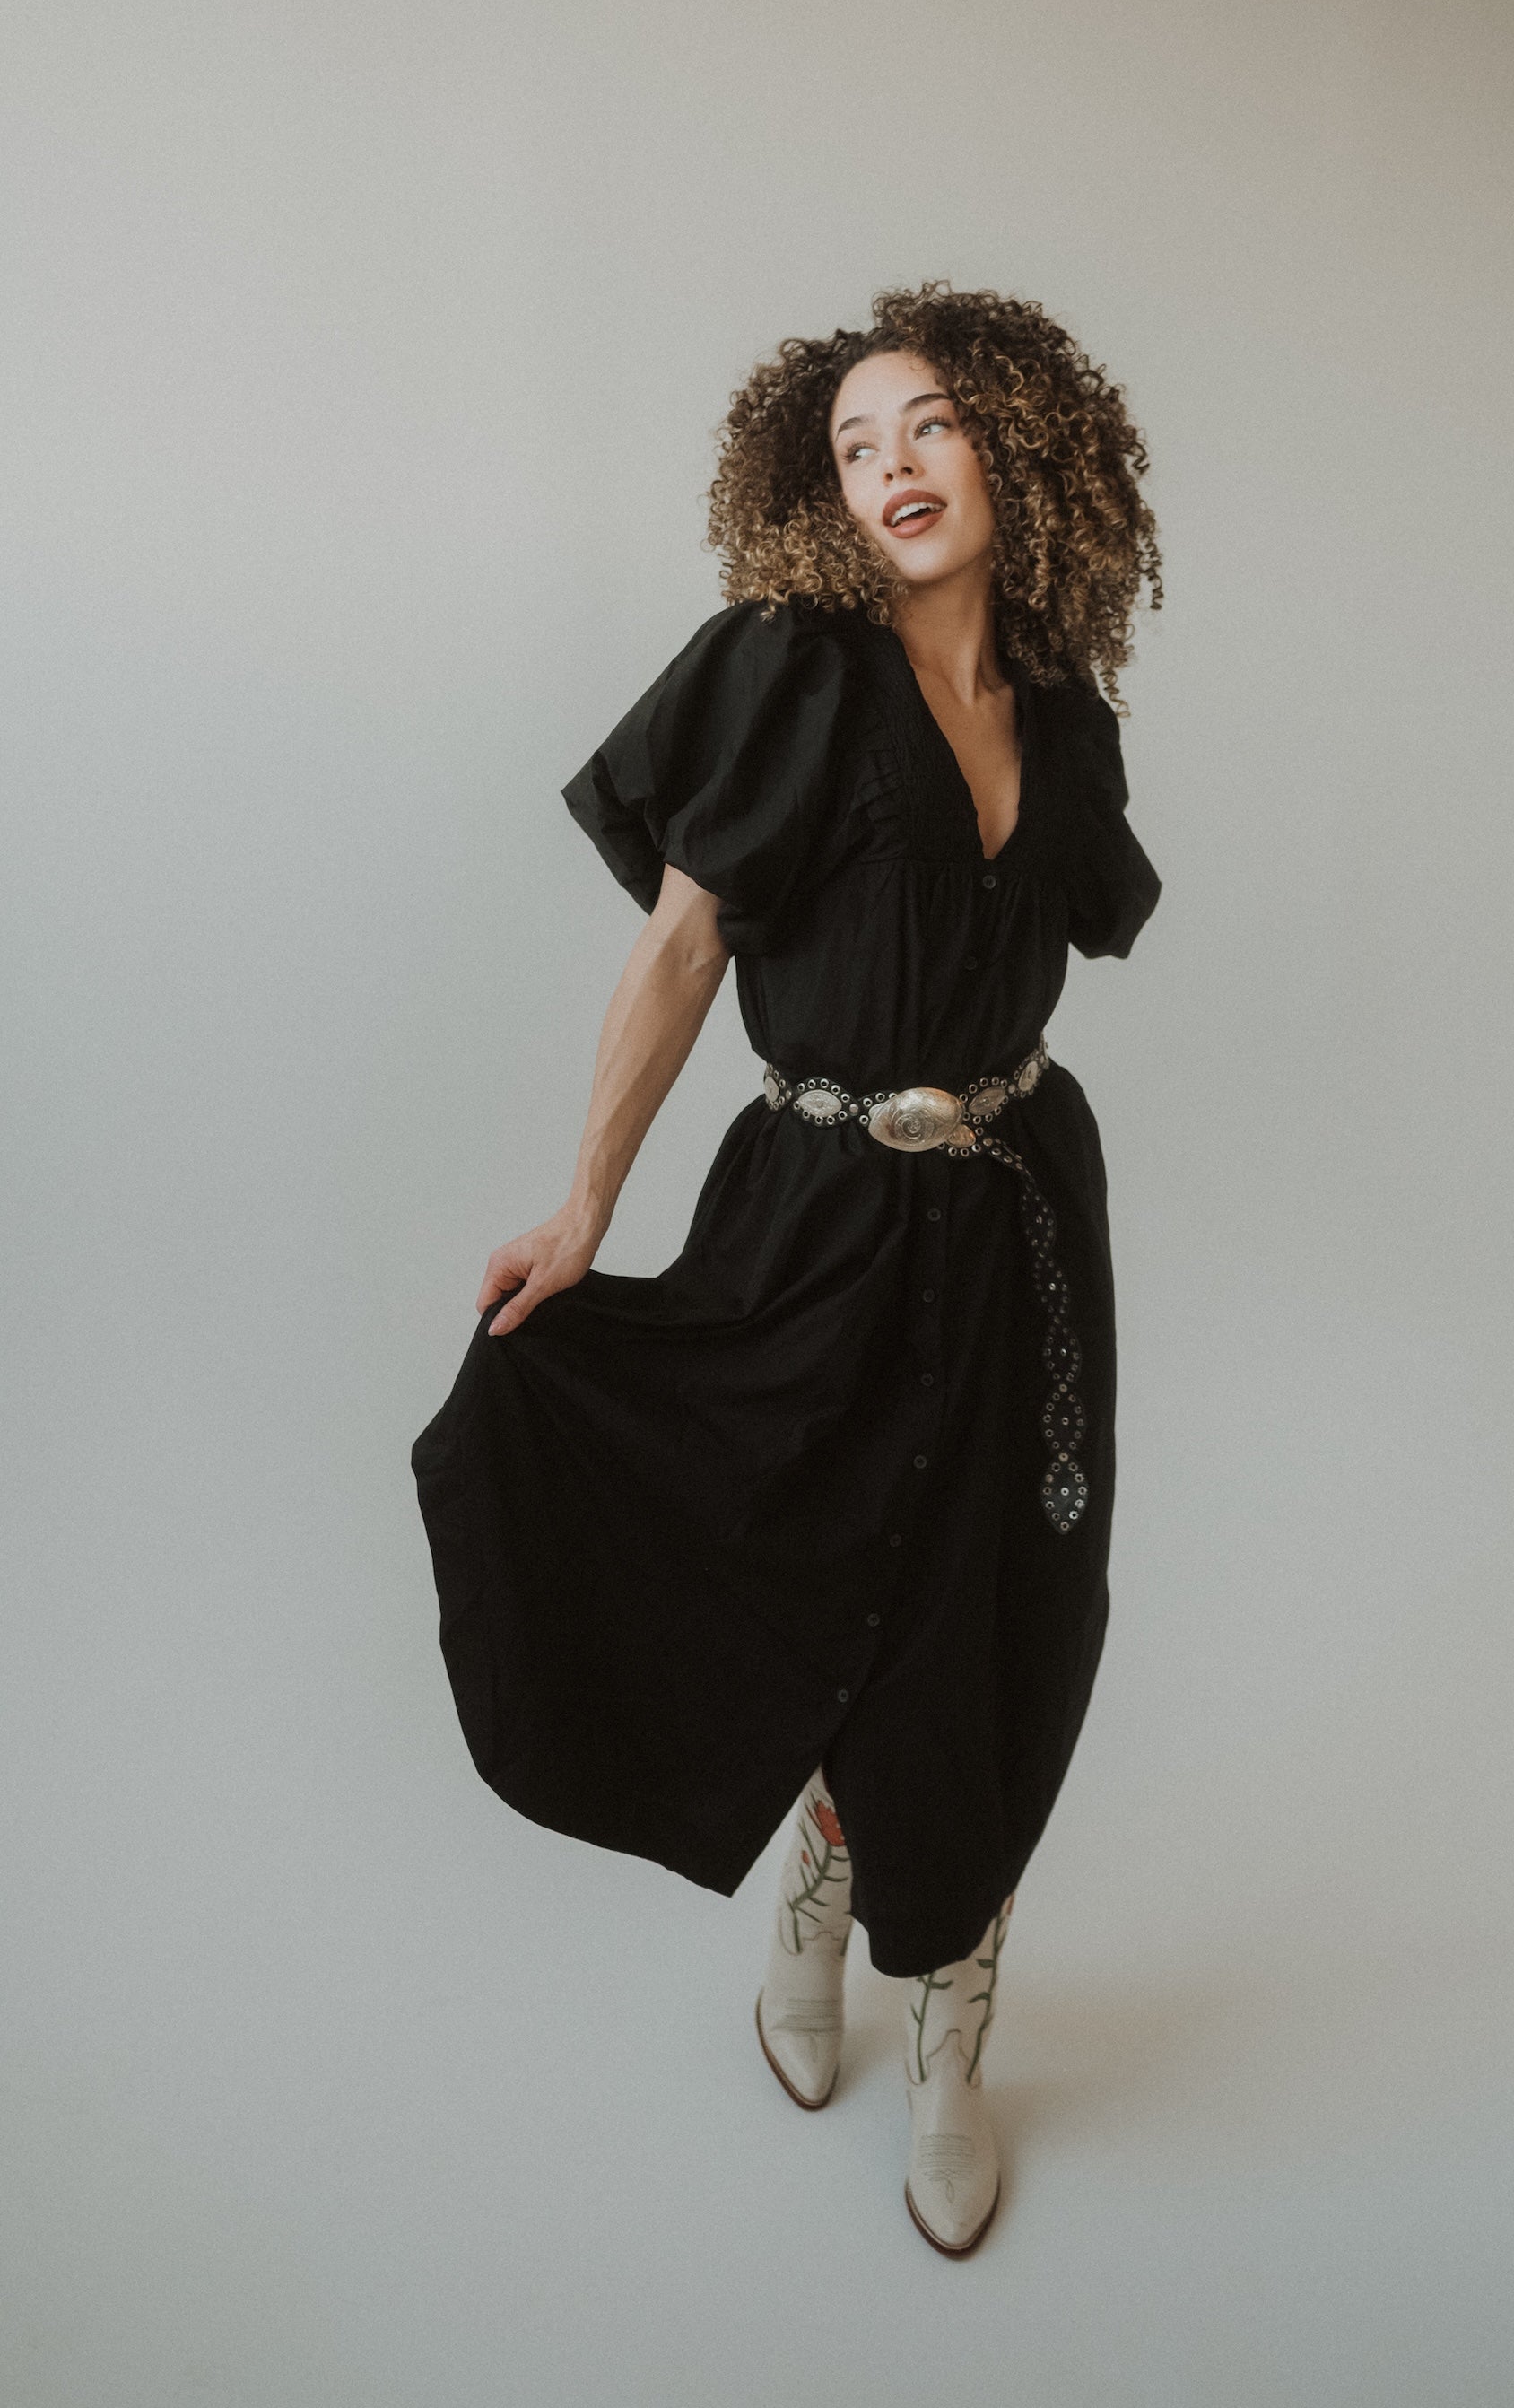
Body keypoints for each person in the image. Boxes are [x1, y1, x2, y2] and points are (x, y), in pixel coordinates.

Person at [412, 282, 1162, 2256]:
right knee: (819, 1575)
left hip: (1017, 1217)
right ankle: (821, 1882)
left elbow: (1066, 922)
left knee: (1003, 1620)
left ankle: (950, 2035)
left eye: (926, 425)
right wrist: (585, 1207)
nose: (889, 467)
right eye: (851, 445)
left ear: (1014, 443)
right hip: (815, 1210)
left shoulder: (1061, 701)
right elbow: (680, 950)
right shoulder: (786, 668)